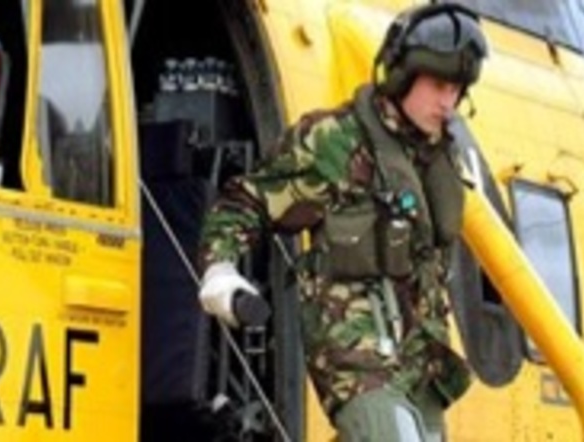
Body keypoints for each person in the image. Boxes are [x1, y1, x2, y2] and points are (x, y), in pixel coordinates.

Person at [197, 3, 488, 441]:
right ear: (402, 76)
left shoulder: (439, 159)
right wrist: (220, 268)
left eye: (457, 90)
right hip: (356, 354)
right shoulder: (334, 141)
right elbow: (247, 200)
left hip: (421, 365)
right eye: (438, 85)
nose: (448, 102)